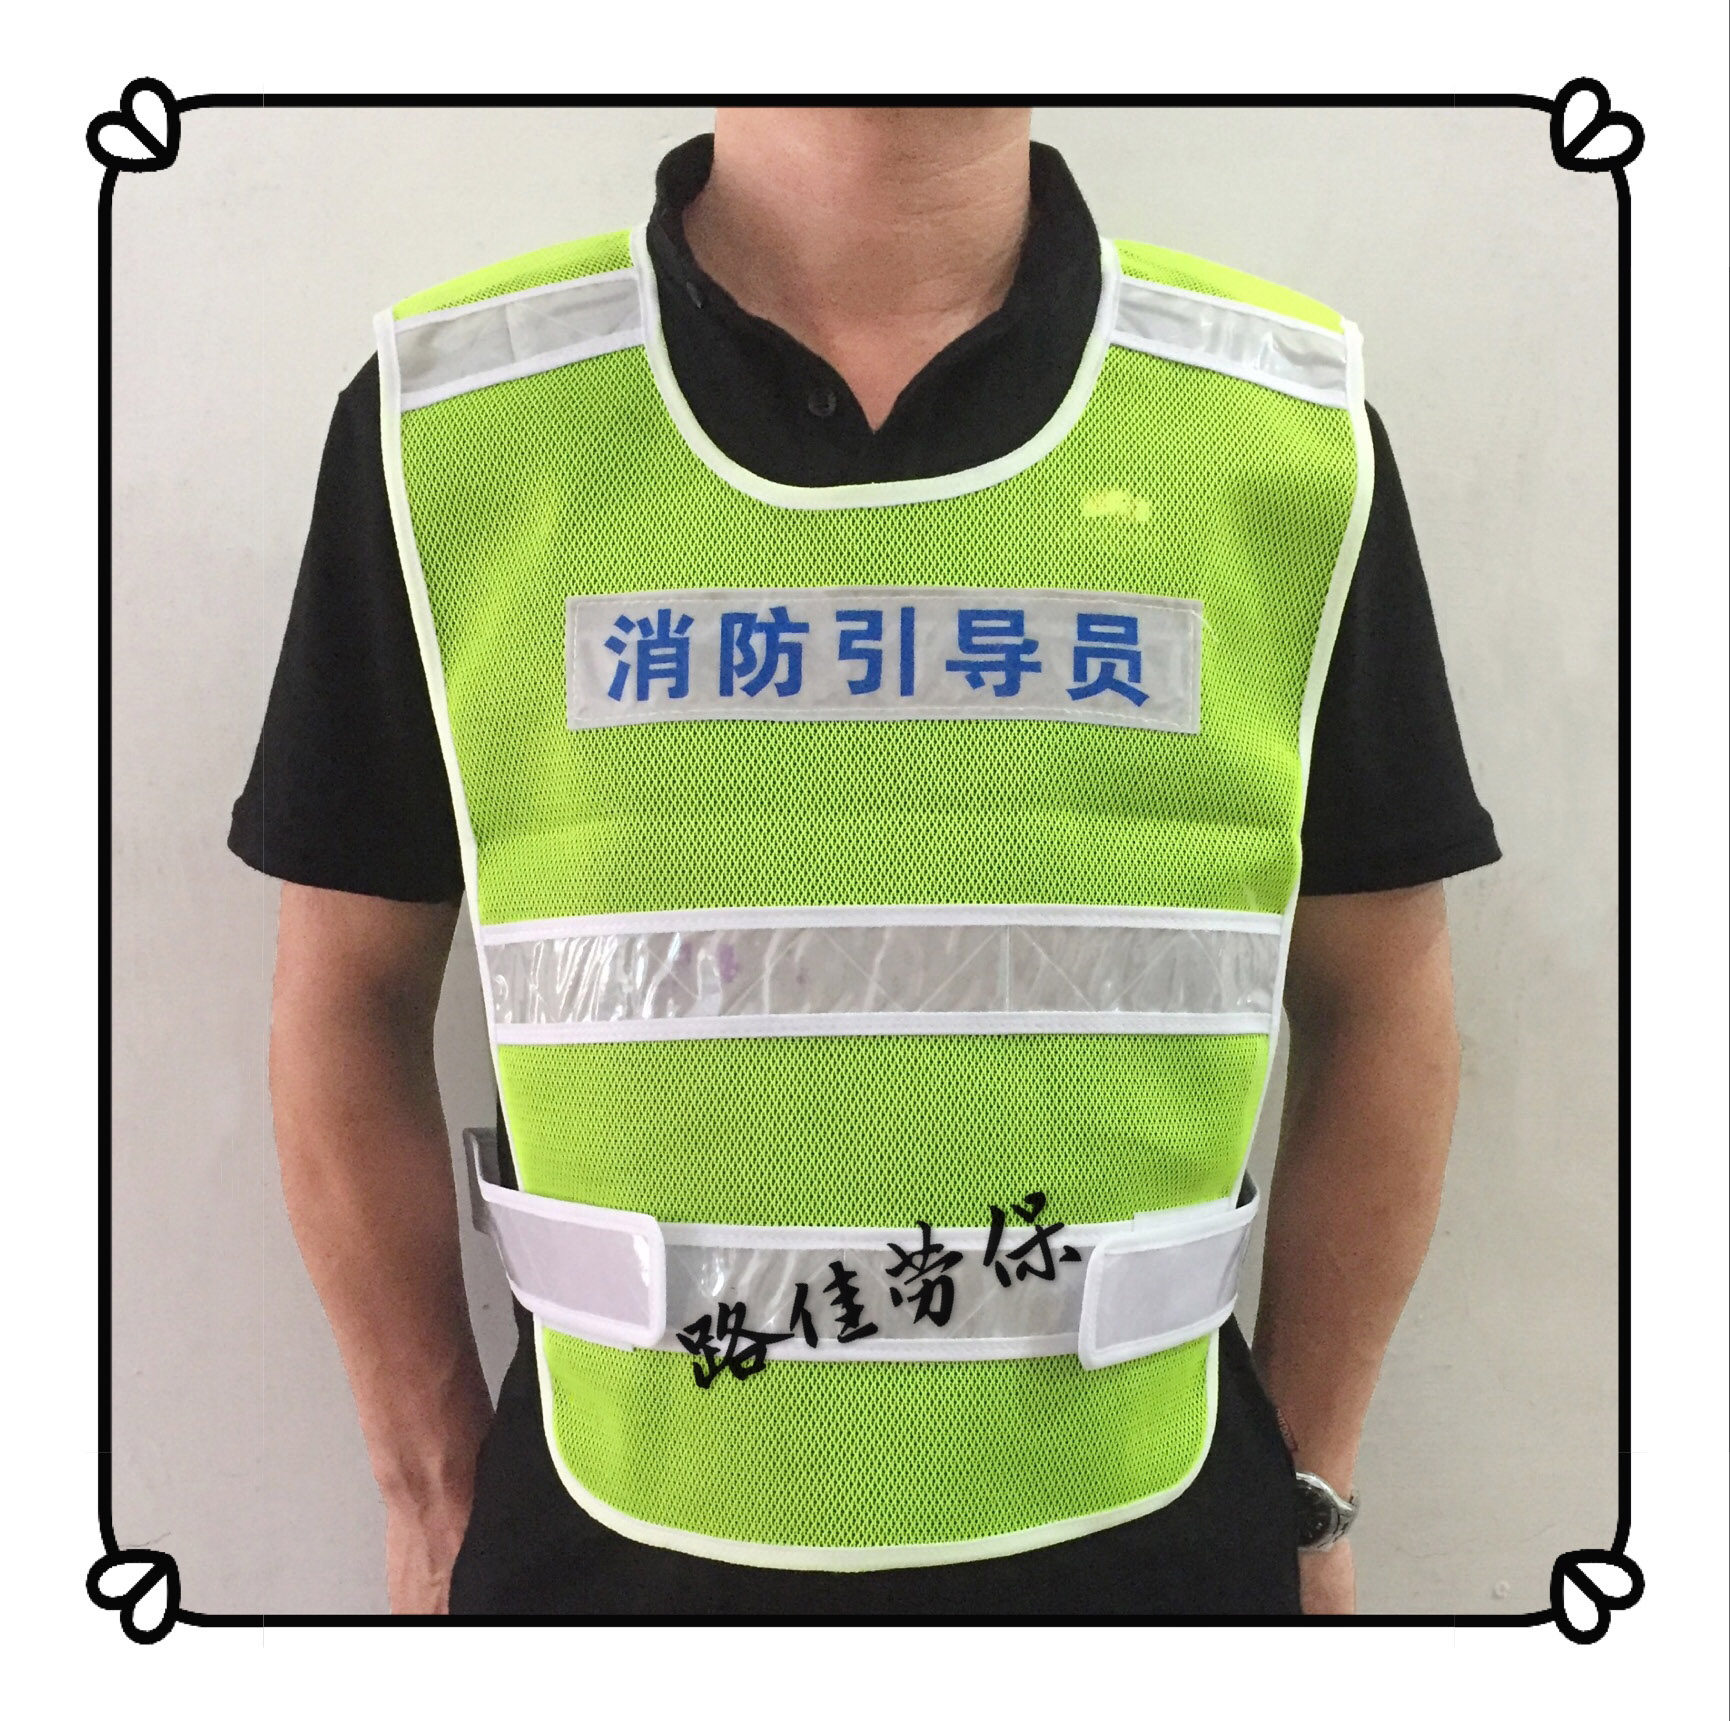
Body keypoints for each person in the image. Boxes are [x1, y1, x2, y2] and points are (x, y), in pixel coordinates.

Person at [233, 107, 1499, 1617]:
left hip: (1149, 1541)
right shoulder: (458, 428)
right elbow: (346, 996)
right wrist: (428, 1488)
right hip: (606, 1547)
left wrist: (1308, 1487)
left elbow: (1381, 995)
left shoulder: (1274, 435)